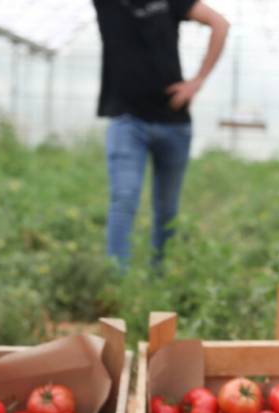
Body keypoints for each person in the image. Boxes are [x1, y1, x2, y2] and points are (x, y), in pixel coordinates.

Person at [93, 0, 229, 269]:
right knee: (123, 199)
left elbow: (220, 24)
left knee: (167, 210)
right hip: (127, 121)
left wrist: (197, 82)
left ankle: (161, 276)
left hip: (173, 123)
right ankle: (116, 283)